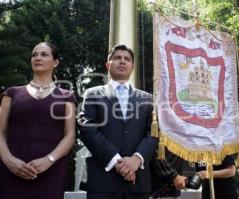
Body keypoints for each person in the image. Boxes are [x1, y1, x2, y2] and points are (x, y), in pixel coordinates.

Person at [78, 44, 158, 199]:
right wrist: (116, 161)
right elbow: (87, 128)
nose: (122, 61)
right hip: (102, 181)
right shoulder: (93, 94)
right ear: (108, 65)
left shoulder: (147, 98)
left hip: (138, 182)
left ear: (132, 67)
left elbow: (154, 133)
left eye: (127, 59)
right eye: (117, 58)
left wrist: (136, 159)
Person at [0, 42, 76, 199]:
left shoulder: (66, 96)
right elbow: (0, 133)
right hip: (11, 172)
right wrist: (10, 161)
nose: (37, 58)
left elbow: (69, 136)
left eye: (44, 54)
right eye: (34, 55)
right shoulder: (11, 93)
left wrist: (48, 160)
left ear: (55, 62)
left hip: (52, 172)